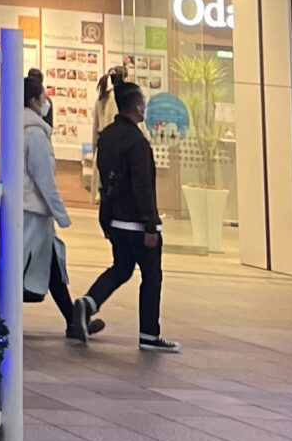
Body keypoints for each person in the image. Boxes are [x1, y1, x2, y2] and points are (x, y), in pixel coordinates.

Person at [75, 79, 178, 351]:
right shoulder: (137, 142)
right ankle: (149, 334)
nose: (144, 106)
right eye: (142, 101)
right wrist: (151, 225)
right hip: (136, 222)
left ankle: (89, 302)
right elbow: (142, 187)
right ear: (136, 105)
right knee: (151, 275)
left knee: (121, 268)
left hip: (114, 218)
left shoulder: (107, 136)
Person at [21, 67, 94, 342]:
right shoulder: (35, 135)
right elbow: (44, 179)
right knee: (21, 271)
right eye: (43, 96)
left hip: (31, 213)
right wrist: (61, 213)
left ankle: (73, 320)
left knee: (51, 266)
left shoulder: (20, 129)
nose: (47, 101)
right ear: (33, 101)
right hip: (33, 213)